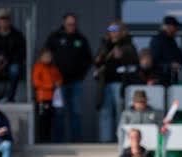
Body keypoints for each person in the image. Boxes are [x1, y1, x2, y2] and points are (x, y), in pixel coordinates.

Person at [45, 13, 93, 142]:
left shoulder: (81, 39)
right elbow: (45, 56)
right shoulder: (55, 37)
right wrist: (52, 75)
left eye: (73, 24)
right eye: (69, 24)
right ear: (64, 23)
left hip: (75, 82)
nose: (71, 26)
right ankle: (58, 142)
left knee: (76, 113)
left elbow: (88, 59)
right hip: (58, 83)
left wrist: (81, 75)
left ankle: (76, 141)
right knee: (59, 113)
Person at [93, 21, 138, 143]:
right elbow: (97, 61)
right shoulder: (105, 44)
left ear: (122, 31)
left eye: (116, 29)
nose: (113, 32)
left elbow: (134, 61)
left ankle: (121, 140)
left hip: (119, 83)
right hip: (105, 83)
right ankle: (105, 140)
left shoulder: (128, 44)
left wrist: (122, 56)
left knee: (120, 111)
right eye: (111, 29)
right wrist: (101, 56)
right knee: (105, 113)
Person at [32, 48, 63, 144]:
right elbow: (36, 82)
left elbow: (59, 78)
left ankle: (50, 139)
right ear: (41, 57)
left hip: (53, 98)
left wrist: (58, 83)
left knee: (51, 119)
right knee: (42, 120)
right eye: (46, 56)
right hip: (42, 97)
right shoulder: (38, 67)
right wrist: (50, 86)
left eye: (49, 56)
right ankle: (42, 140)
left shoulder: (53, 68)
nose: (48, 58)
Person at [149, 15, 182, 83]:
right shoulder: (158, 40)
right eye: (175, 27)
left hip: (170, 77)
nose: (176, 30)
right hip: (161, 78)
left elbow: (178, 56)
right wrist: (170, 65)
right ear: (168, 27)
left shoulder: (171, 40)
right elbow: (155, 60)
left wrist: (180, 63)